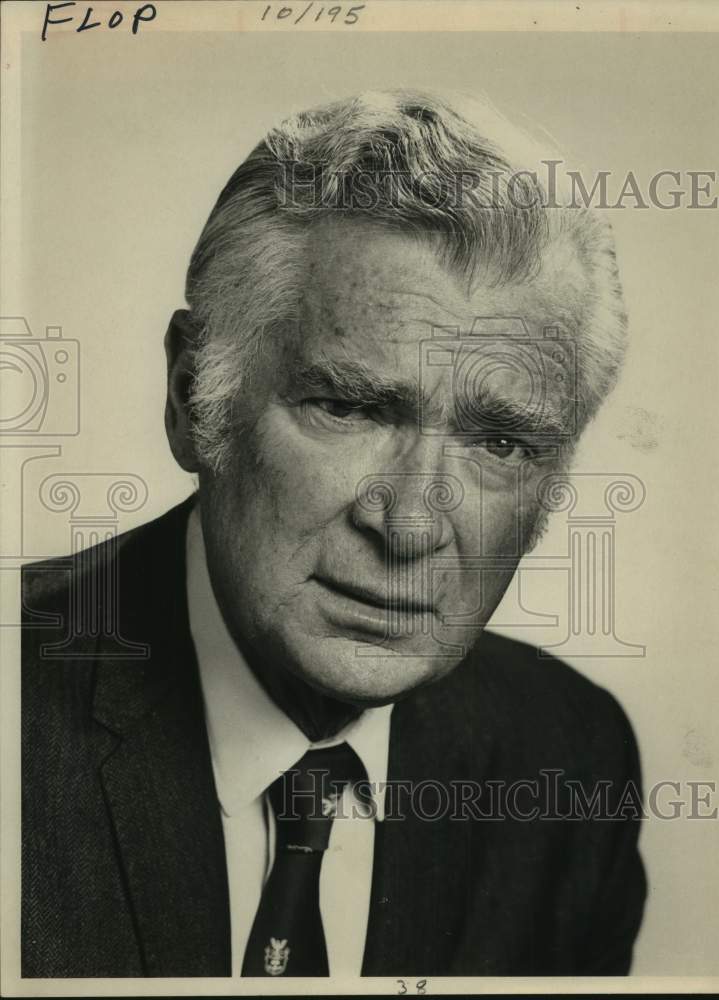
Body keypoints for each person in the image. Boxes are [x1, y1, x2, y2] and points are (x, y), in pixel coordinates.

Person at [21, 89, 646, 978]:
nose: (413, 523)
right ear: (191, 398)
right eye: (349, 406)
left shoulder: (570, 757)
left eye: (502, 442)